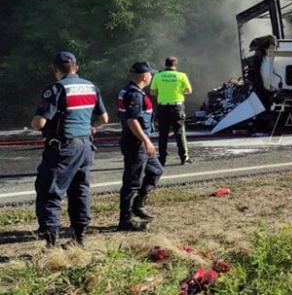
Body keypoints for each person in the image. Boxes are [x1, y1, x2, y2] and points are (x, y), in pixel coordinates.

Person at [32, 52, 108, 247]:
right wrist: (89, 127)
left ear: (55, 69)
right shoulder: (91, 86)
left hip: (63, 148)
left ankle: (51, 245)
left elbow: (40, 123)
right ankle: (78, 239)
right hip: (85, 145)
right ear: (77, 67)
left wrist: (34, 122)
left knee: (49, 191)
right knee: (80, 190)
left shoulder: (56, 88)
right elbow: (103, 119)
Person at [118, 62, 163, 231]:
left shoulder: (130, 90)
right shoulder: (134, 94)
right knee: (132, 181)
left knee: (155, 171)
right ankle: (125, 220)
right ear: (145, 76)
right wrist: (146, 140)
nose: (152, 76)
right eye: (151, 74)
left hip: (140, 142)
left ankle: (138, 203)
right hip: (136, 143)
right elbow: (132, 120)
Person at [150, 57, 193, 166]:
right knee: (179, 133)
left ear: (165, 64)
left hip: (163, 108)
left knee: (163, 134)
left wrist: (163, 92)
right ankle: (184, 157)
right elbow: (189, 90)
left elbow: (153, 92)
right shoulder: (181, 75)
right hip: (177, 107)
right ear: (176, 65)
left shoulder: (158, 76)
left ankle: (162, 159)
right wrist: (180, 91)